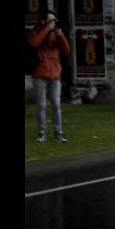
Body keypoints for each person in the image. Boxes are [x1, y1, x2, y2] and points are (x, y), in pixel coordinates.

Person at [28, 10, 71, 143]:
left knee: (56, 104)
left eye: (54, 20)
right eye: (50, 20)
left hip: (55, 74)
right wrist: (46, 29)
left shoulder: (55, 33)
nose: (53, 23)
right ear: (43, 21)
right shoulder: (35, 31)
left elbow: (66, 50)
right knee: (41, 105)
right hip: (40, 73)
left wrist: (60, 35)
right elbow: (34, 44)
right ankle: (42, 133)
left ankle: (58, 133)